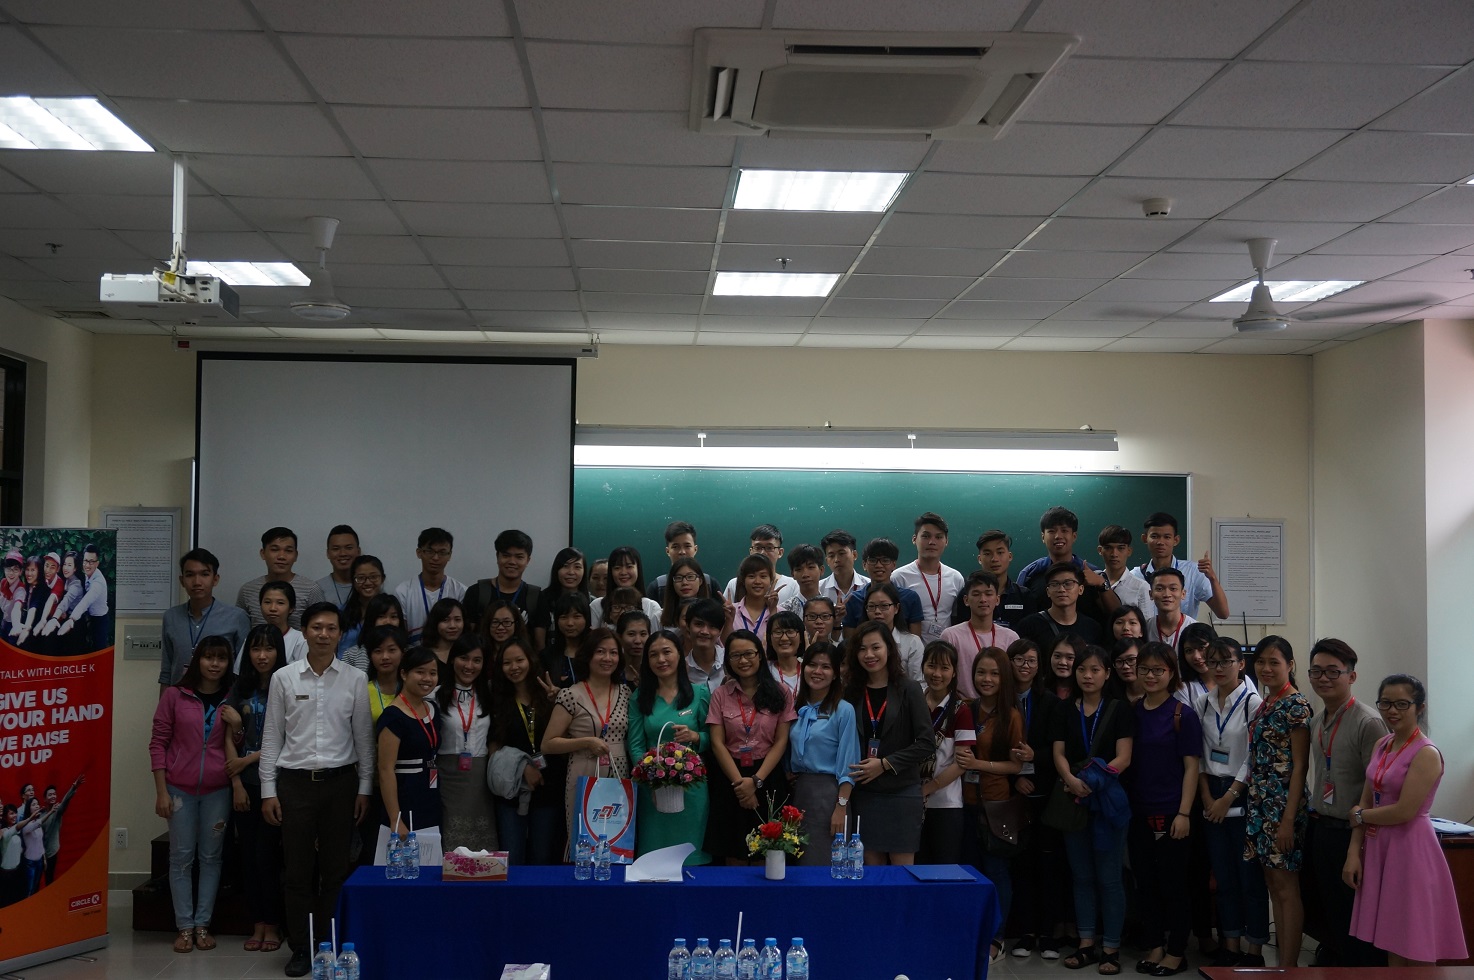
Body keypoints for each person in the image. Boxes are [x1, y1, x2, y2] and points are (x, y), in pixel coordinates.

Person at [258, 602, 373, 978]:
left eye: (331, 628)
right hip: (295, 785)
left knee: (336, 870)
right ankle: (302, 949)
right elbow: (272, 737)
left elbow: (363, 738)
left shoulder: (355, 679)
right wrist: (267, 790)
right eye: (317, 627)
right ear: (304, 631)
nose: (324, 634)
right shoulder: (284, 678)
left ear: (341, 634)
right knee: (297, 871)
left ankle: (331, 942)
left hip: (341, 784)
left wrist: (365, 787)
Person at [1346, 674, 1468, 966]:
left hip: (1410, 848)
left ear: (1419, 708)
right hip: (1378, 846)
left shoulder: (1426, 753)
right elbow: (1365, 797)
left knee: (1414, 938)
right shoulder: (1383, 744)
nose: (1392, 711)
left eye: (1402, 704)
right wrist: (1354, 852)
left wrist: (1360, 816)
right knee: (1389, 937)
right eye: (1386, 703)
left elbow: (1404, 811)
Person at [1051, 643, 1133, 975]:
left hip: (1107, 801)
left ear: (1107, 674)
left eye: (1095, 670)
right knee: (1081, 876)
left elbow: (1124, 757)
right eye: (1082, 669)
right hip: (1073, 799)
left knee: (1110, 878)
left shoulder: (1119, 709)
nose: (1087, 675)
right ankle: (1086, 943)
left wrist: (1094, 780)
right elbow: (1058, 753)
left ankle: (1111, 947)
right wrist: (1071, 779)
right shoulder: (1063, 709)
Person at [1304, 638, 1387, 967]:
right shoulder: (1317, 720)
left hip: (1352, 835)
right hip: (1320, 827)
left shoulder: (1368, 722)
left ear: (1351, 677)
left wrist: (1356, 843)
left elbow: (1378, 788)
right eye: (1317, 671)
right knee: (1326, 909)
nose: (1323, 678)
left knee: (1354, 917)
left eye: (1332, 672)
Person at [150, 636, 235, 954]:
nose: (214, 664)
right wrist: (161, 791)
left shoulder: (232, 696)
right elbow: (158, 743)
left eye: (222, 658)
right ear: (197, 660)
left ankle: (203, 926)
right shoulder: (175, 695)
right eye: (209, 657)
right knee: (181, 858)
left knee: (211, 858)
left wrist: (237, 726)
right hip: (178, 789)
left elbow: (238, 743)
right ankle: (184, 928)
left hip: (218, 790)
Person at [1126, 641, 1203, 977]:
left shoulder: (1182, 715)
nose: (1151, 675)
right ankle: (1155, 945)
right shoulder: (1131, 712)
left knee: (1174, 884)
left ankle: (1176, 951)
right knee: (1146, 882)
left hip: (1173, 813)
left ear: (1172, 673)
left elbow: (1191, 768)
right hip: (1137, 812)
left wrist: (1185, 813)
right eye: (1144, 669)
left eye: (1159, 670)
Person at [1196, 637, 1268, 968]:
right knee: (1223, 878)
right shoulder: (1204, 702)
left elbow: (1255, 757)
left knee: (1248, 878)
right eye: (1213, 662)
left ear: (1241, 664)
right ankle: (1231, 943)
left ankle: (1254, 950)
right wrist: (1209, 796)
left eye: (1226, 661)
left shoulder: (1254, 703)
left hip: (1242, 793)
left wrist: (1228, 796)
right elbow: (1198, 753)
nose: (1219, 668)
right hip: (1211, 791)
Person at [1244, 635, 1311, 969]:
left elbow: (1301, 767)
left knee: (1286, 888)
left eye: (1274, 662)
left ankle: (1288, 966)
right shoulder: (1266, 702)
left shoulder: (1295, 706)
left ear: (1290, 665)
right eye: (1261, 662)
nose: (1266, 668)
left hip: (1283, 808)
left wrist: (1287, 820)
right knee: (1273, 885)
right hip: (1260, 805)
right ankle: (1282, 965)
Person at [220, 624, 287, 954]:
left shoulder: (286, 685)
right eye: (256, 649)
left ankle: (274, 924)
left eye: (269, 649)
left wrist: (247, 762)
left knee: (268, 857)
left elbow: (287, 740)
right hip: (244, 786)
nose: (262, 655)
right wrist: (236, 782)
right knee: (248, 858)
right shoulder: (239, 689)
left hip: (276, 785)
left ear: (279, 652)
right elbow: (228, 739)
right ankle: (257, 923)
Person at [843, 620, 932, 865]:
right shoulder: (850, 692)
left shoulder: (909, 689)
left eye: (875, 647)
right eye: (862, 649)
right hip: (865, 794)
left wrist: (885, 764)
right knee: (871, 874)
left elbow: (926, 743)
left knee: (901, 876)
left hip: (902, 793)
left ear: (889, 650)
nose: (869, 655)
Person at [1005, 638, 1071, 962]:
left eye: (1031, 661)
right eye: (1019, 660)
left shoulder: (1051, 703)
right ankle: (1026, 930)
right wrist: (1016, 776)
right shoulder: (1000, 701)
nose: (1025, 666)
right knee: (1022, 866)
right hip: (1012, 793)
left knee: (1049, 866)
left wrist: (1036, 758)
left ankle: (1048, 933)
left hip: (1045, 794)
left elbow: (1061, 751)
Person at [705, 630, 794, 864]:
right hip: (730, 778)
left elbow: (781, 741)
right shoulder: (721, 694)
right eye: (735, 656)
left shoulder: (781, 692)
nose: (742, 661)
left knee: (770, 853)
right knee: (733, 851)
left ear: (760, 655)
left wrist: (755, 782)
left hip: (768, 777)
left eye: (748, 654)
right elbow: (717, 742)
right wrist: (741, 786)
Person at [956, 645, 1021, 964]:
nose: (987, 678)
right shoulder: (966, 707)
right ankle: (973, 932)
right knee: (970, 870)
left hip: (996, 804)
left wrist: (980, 765)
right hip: (963, 802)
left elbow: (1016, 766)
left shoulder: (1011, 715)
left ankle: (997, 936)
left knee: (997, 872)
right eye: (981, 672)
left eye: (995, 673)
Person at [541, 627, 632, 858]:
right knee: (584, 840)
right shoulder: (571, 694)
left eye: (613, 652)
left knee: (617, 841)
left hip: (620, 773)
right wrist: (586, 742)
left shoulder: (626, 692)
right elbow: (548, 744)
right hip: (584, 771)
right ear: (588, 655)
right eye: (601, 652)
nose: (608, 658)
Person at [628, 629, 712, 864]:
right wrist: (652, 776)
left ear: (680, 655)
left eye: (667, 652)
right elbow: (635, 745)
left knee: (691, 859)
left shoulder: (699, 693)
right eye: (654, 655)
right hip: (653, 788)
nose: (661, 660)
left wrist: (696, 737)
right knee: (654, 861)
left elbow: (714, 739)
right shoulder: (639, 697)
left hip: (693, 789)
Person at [489, 636, 564, 866]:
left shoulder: (548, 695)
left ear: (530, 660)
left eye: (519, 660)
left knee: (542, 857)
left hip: (548, 788)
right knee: (512, 857)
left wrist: (560, 699)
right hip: (512, 789)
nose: (514, 667)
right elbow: (494, 747)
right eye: (507, 663)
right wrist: (522, 768)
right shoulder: (496, 700)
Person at [786, 642, 859, 867]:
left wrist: (841, 807)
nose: (817, 672)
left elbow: (849, 764)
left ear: (836, 673)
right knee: (796, 862)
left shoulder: (843, 710)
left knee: (823, 864)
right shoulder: (795, 707)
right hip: (798, 795)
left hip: (829, 797)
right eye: (812, 665)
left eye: (825, 667)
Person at [433, 639, 497, 851]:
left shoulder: (488, 695)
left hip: (480, 775)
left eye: (476, 660)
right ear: (452, 660)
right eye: (464, 658)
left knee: (482, 841)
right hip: (447, 774)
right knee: (450, 839)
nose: (469, 666)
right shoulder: (435, 695)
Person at [375, 646, 442, 846]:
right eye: (420, 672)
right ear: (404, 674)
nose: (427, 678)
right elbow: (385, 770)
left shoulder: (433, 709)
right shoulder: (393, 716)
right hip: (405, 797)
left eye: (433, 673)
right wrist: (395, 819)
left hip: (430, 793)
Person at [917, 641, 976, 867]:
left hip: (946, 804)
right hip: (912, 801)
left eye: (944, 668)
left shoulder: (961, 710)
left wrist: (927, 789)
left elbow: (962, 762)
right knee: (916, 866)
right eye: (932, 666)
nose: (937, 674)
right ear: (923, 667)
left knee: (944, 869)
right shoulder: (914, 702)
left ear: (954, 672)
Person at [160, 548, 251, 694]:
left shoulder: (237, 617)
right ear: (182, 580)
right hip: (180, 700)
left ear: (215, 579)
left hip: (222, 701)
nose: (197, 582)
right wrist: (164, 710)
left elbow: (244, 669)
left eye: (204, 574)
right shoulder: (171, 617)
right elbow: (166, 670)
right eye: (190, 575)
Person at [1016, 507, 1115, 621]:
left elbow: (1115, 615)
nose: (1058, 536)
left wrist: (1101, 583)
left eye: (1064, 530)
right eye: (1052, 531)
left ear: (1074, 536)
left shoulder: (1093, 573)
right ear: (1043, 537)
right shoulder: (1030, 573)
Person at [1129, 513, 1229, 621]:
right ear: (1145, 539)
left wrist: (1212, 578)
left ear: (1176, 540)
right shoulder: (1135, 576)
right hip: (1148, 636)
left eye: (1167, 537)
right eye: (1154, 536)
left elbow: (1223, 613)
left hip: (1183, 637)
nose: (1160, 542)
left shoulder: (1193, 572)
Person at [941, 570, 1021, 698]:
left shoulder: (1011, 638)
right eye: (976, 594)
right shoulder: (951, 636)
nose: (983, 599)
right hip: (962, 707)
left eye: (989, 594)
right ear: (966, 600)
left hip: (999, 708)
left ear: (997, 599)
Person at [891, 512, 966, 643]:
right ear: (914, 539)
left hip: (945, 654)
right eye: (925, 536)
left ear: (946, 541)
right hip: (908, 653)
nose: (932, 542)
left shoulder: (956, 578)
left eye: (938, 537)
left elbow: (957, 618)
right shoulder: (899, 577)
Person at [236, 528, 323, 630]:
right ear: (263, 553)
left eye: (288, 551)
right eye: (275, 549)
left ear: (295, 555)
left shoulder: (311, 589)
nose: (281, 556)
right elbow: (240, 629)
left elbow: (320, 627)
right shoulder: (247, 590)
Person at [393, 527, 466, 643]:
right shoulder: (403, 592)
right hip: (414, 656)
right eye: (430, 551)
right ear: (419, 553)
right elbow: (399, 633)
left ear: (450, 555)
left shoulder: (460, 591)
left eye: (442, 552)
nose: (435, 558)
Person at [464, 529, 540, 633]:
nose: (512, 562)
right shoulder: (476, 592)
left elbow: (539, 646)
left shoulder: (536, 597)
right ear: (497, 556)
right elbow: (468, 639)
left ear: (528, 560)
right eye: (506, 555)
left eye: (519, 557)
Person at [845, 537, 924, 636]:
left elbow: (915, 640)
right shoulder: (853, 599)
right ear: (864, 565)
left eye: (885, 560)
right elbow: (850, 643)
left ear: (894, 565)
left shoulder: (910, 598)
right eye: (873, 560)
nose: (879, 565)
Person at [1017, 562, 1103, 647]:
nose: (1061, 589)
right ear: (1048, 592)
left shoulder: (1092, 628)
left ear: (1081, 589)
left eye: (1068, 583)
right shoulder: (1029, 626)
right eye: (1055, 584)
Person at [721, 525, 800, 609]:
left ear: (780, 552)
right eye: (758, 547)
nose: (762, 553)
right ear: (751, 551)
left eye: (769, 548)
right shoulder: (735, 584)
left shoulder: (792, 585)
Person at [861, 582, 924, 682]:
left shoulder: (912, 642)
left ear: (896, 608)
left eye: (884, 605)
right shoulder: (858, 641)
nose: (877, 611)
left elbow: (920, 682)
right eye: (871, 606)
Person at [590, 546, 662, 628]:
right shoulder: (597, 606)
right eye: (617, 568)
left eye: (629, 566)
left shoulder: (651, 606)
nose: (623, 572)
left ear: (638, 569)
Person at [530, 546, 587, 650]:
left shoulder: (591, 601)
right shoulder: (543, 599)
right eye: (565, 566)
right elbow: (539, 644)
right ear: (557, 569)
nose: (571, 572)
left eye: (577, 567)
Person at [648, 521, 718, 601]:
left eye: (687, 546)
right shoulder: (657, 587)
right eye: (675, 547)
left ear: (695, 549)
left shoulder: (710, 584)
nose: (682, 552)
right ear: (667, 551)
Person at [243, 580, 305, 670]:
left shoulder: (300, 640)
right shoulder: (253, 638)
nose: (272, 608)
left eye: (280, 603)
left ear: (291, 608)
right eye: (267, 602)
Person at [339, 593, 404, 675]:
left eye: (393, 617)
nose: (388, 622)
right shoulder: (352, 655)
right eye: (381, 616)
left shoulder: (410, 652)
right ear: (371, 619)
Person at [39, 774, 83, 886]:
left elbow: (65, 801)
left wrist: (74, 787)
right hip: (39, 853)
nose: (53, 796)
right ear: (45, 799)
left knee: (49, 878)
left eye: (54, 794)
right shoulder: (40, 815)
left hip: (51, 852)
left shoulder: (57, 811)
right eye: (50, 795)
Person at [337, 555, 386, 656]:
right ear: (352, 581)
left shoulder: (390, 611)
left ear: (383, 578)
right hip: (345, 668)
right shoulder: (342, 612)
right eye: (361, 578)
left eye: (373, 577)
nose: (367, 582)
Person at [1095, 525, 1151, 613]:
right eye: (1108, 548)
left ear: (1129, 551)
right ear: (1100, 550)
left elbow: (1146, 624)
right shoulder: (1094, 584)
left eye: (1120, 548)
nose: (1114, 554)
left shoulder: (1141, 587)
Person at [540, 592, 591, 689]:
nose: (570, 623)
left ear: (586, 618)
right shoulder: (547, 656)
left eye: (577, 616)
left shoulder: (596, 652)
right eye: (564, 617)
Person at [362, 624, 407, 725]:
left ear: (402, 653)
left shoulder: (410, 688)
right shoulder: (363, 691)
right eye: (378, 651)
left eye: (391, 650)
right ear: (370, 656)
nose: (385, 657)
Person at [1144, 567, 1196, 651]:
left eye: (1173, 589)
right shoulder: (1145, 629)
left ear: (1183, 594)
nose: (1167, 594)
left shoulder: (1194, 629)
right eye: (1160, 589)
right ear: (1151, 594)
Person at [818, 530, 868, 616]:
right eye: (831, 556)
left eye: (841, 553)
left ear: (854, 555)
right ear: (827, 561)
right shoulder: (819, 589)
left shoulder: (868, 586)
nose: (837, 560)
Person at [730, 554, 779, 637]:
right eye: (751, 576)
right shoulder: (731, 612)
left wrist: (773, 611)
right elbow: (723, 644)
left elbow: (779, 640)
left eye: (763, 576)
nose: (757, 581)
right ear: (743, 580)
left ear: (771, 580)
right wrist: (728, 620)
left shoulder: (781, 613)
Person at [683, 598, 727, 688]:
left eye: (712, 626)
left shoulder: (730, 659)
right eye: (699, 624)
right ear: (688, 626)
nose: (705, 631)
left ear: (721, 630)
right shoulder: (682, 668)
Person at [315, 525, 361, 610]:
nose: (343, 553)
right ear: (328, 553)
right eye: (336, 549)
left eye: (349, 548)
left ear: (358, 552)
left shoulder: (369, 586)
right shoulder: (317, 588)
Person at [659, 556, 710, 629]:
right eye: (678, 578)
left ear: (700, 581)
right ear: (672, 583)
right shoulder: (659, 616)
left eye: (690, 577)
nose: (684, 583)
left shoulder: (711, 613)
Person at [422, 597, 467, 672]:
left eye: (457, 620)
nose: (452, 625)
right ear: (435, 623)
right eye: (445, 620)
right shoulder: (423, 656)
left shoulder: (471, 652)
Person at [765, 611, 805, 695]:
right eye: (778, 632)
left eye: (790, 632)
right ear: (770, 639)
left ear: (801, 637)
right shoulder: (764, 672)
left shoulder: (809, 670)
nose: (784, 638)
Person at [784, 543, 826, 614]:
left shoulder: (830, 607)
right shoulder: (785, 610)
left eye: (810, 567)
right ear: (792, 574)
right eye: (799, 569)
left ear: (821, 570)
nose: (805, 574)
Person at [616, 609, 652, 687]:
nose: (638, 641)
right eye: (631, 634)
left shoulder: (655, 670)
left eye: (643, 634)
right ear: (619, 637)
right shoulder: (612, 669)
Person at [1110, 637, 1145, 703]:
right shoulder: (1111, 698)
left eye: (1131, 659)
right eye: (1119, 661)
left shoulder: (1157, 694)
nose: (1125, 666)